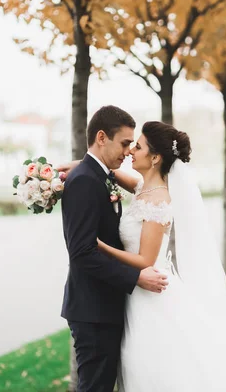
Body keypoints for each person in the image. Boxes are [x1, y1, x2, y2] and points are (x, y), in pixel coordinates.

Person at [60, 120, 226, 392]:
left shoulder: (158, 198)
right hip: (133, 296)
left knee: (157, 369)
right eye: (130, 144)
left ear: (155, 157)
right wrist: (84, 164)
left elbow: (145, 260)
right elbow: (111, 176)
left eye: (139, 145)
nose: (132, 150)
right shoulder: (142, 188)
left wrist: (100, 246)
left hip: (151, 292)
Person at [60, 106, 168, 392]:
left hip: (107, 306)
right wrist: (135, 278)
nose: (128, 151)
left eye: (134, 145)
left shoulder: (100, 176)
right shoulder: (84, 180)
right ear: (101, 137)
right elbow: (82, 253)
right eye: (124, 143)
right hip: (93, 309)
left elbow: (139, 187)